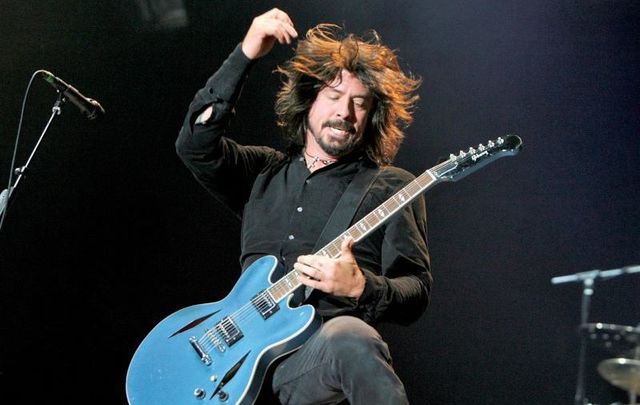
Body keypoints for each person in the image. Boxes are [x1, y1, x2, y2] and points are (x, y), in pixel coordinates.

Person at [175, 8, 431, 405]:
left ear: (372, 117)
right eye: (333, 96)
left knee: (351, 336)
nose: (344, 113)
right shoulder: (263, 171)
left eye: (359, 103)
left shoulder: (390, 187)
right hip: (231, 363)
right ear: (309, 101)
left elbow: (415, 290)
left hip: (311, 362)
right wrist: (247, 53)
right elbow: (194, 144)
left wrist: (362, 287)